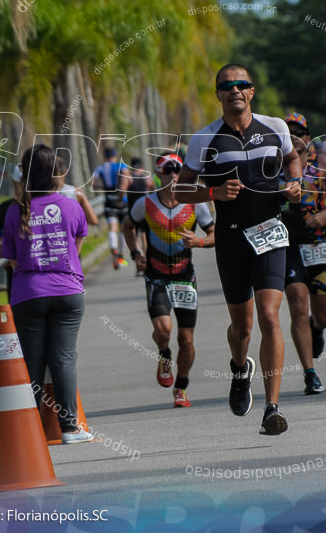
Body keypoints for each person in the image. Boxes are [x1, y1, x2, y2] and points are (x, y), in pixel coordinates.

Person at [175, 63, 302, 435]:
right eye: (227, 85)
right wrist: (212, 193)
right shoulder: (204, 139)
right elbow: (179, 190)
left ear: (252, 91)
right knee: (242, 327)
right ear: (218, 94)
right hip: (230, 238)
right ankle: (239, 367)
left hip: (270, 232)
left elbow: (293, 158)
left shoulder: (275, 127)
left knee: (268, 315)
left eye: (242, 84)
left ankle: (273, 407)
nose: (235, 90)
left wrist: (295, 182)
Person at [2, 144, 91, 443]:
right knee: (63, 359)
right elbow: (76, 247)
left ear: (25, 175)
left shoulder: (15, 210)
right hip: (67, 290)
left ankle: (28, 435)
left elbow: (12, 259)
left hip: (28, 294)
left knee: (32, 363)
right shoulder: (71, 205)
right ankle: (68, 428)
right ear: (56, 174)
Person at [122, 154, 215, 408]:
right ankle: (164, 354)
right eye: (167, 171)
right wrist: (135, 253)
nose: (173, 176)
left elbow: (213, 233)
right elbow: (127, 226)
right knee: (164, 330)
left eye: (177, 171)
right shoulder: (145, 204)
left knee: (186, 339)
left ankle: (181, 387)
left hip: (185, 276)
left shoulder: (197, 203)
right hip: (156, 275)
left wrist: (200, 242)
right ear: (158, 175)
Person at [280, 113, 326, 394]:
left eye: (299, 132)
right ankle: (309, 372)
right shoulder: (272, 167)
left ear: (308, 137)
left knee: (322, 316)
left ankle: (317, 328)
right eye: (287, 132)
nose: (293, 137)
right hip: (286, 246)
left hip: (320, 245)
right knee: (298, 304)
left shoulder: (321, 165)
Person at [92, 147, 131, 269]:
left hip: (109, 200)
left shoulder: (100, 168)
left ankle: (113, 249)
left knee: (112, 227)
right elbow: (128, 180)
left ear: (105, 156)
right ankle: (121, 253)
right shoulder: (121, 166)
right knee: (123, 228)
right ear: (115, 155)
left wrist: (103, 187)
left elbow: (93, 183)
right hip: (122, 201)